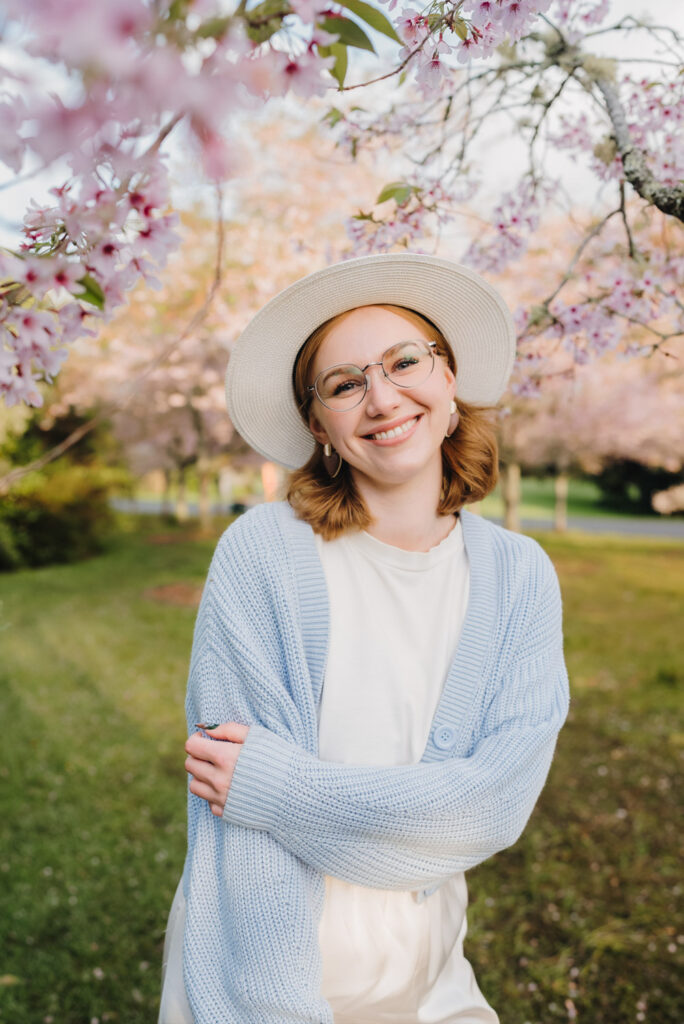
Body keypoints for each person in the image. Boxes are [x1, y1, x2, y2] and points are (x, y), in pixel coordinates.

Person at [158, 252, 571, 1024]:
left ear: (449, 381)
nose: (382, 398)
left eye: (404, 362)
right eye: (345, 384)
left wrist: (280, 788)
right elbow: (240, 832)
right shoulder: (264, 554)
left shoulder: (520, 575)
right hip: (264, 981)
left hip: (433, 982)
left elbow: (494, 806)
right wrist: (280, 1007)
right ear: (319, 425)